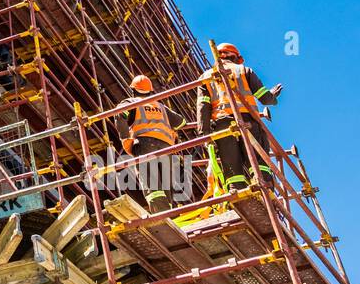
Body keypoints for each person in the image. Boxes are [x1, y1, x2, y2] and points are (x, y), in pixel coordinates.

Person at [196, 43, 283, 190]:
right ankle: (266, 193)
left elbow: (203, 107)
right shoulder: (243, 70)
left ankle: (238, 195)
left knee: (230, 164)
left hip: (222, 125)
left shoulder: (205, 77)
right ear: (235, 57)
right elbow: (265, 98)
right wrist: (273, 96)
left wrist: (204, 134)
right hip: (248, 122)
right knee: (257, 160)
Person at [113, 74, 180, 214]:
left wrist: (125, 139)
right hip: (166, 146)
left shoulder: (131, 102)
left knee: (152, 183)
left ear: (133, 90)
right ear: (150, 91)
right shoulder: (160, 106)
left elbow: (120, 114)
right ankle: (169, 214)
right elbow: (181, 122)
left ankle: (161, 216)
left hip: (144, 144)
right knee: (166, 183)